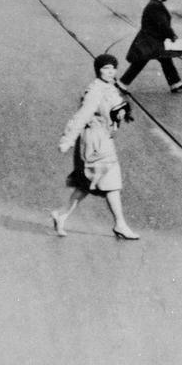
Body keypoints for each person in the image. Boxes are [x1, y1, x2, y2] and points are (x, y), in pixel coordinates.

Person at [52, 53, 140, 240]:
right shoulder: (95, 90)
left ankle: (61, 214)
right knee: (111, 183)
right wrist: (67, 140)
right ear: (98, 70)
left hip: (104, 139)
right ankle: (120, 224)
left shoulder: (109, 87)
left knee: (87, 184)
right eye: (105, 68)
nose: (110, 72)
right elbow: (82, 116)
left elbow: (113, 110)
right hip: (95, 142)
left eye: (113, 68)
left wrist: (122, 113)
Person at [118, 0, 182, 93]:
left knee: (165, 59)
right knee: (142, 61)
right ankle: (122, 83)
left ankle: (175, 83)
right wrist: (172, 36)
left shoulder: (155, 4)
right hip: (151, 40)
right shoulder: (155, 6)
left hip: (152, 39)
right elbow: (163, 25)